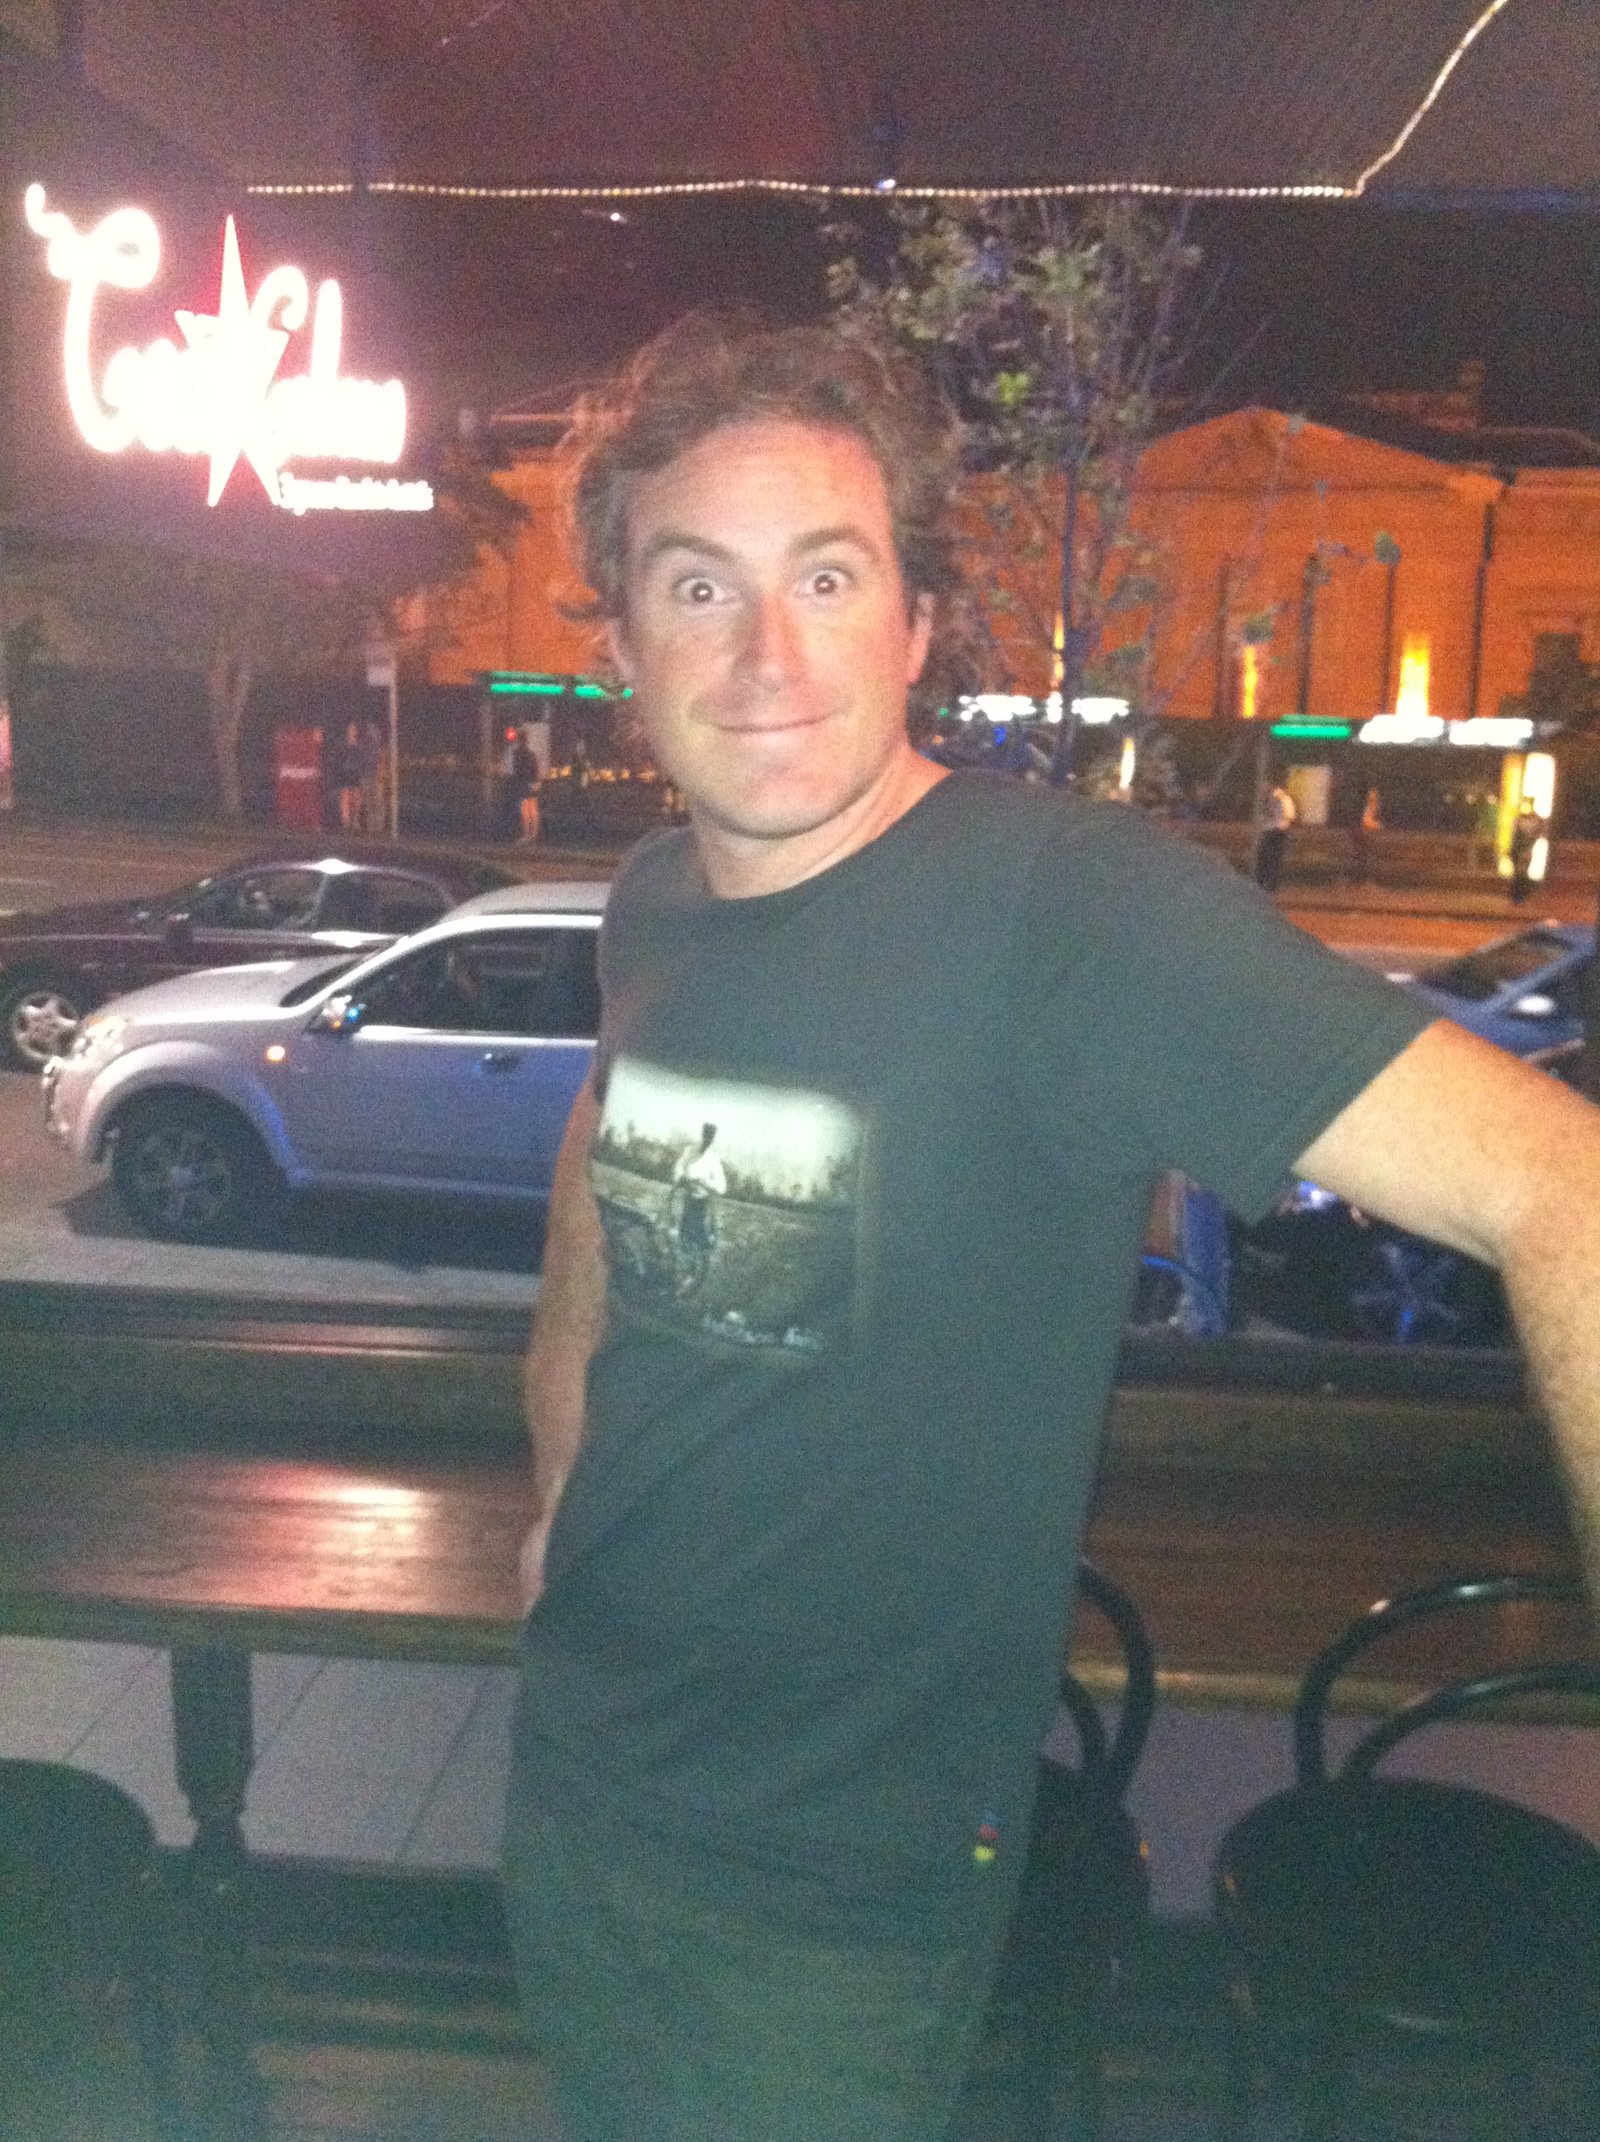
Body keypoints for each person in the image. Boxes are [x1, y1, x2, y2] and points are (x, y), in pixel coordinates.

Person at [505, 316, 1600, 2142]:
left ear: (915, 623)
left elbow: (1556, 1182)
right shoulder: (655, 896)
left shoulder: (1067, 914)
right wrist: (555, 1506)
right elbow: (605, 1172)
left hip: (836, 1888)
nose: (768, 653)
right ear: (621, 644)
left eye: (827, 576)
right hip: (582, 1778)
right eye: (699, 587)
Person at [1253, 779, 1296, 891]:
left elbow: (1283, 815)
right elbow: (1291, 816)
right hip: (1279, 831)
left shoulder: (1277, 797)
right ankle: (1271, 884)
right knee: (1274, 859)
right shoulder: (1285, 798)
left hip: (1273, 830)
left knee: (1266, 858)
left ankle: (1263, 882)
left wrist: (1272, 815)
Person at [1509, 796, 1545, 907]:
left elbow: (1536, 835)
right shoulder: (1518, 819)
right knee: (1518, 873)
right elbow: (1514, 836)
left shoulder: (1536, 820)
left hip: (1526, 849)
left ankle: (1520, 896)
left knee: (1522, 873)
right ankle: (1518, 895)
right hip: (1517, 849)